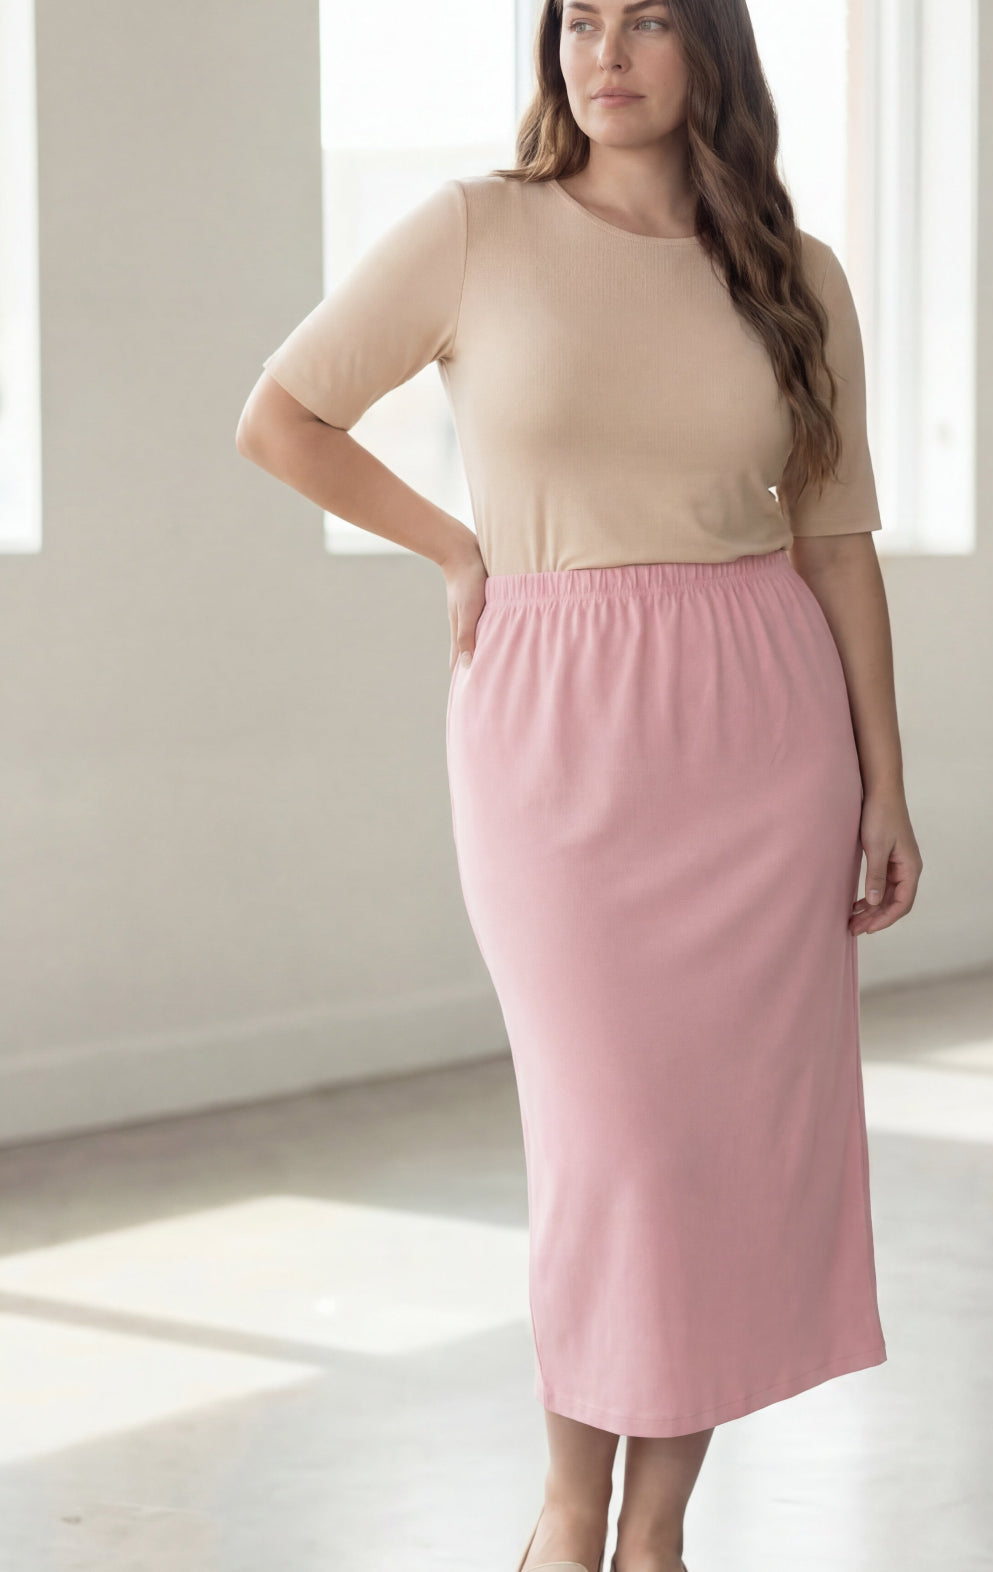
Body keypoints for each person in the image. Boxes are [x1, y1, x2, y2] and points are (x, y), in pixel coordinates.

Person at [237, 1, 924, 1567]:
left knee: (723, 1143)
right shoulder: (475, 230)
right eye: (580, 21)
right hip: (553, 716)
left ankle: (656, 1530)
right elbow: (281, 416)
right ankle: (564, 1514)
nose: (604, 52)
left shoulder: (793, 275)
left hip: (762, 725)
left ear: (710, 54)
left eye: (647, 22)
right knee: (609, 1137)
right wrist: (455, 545)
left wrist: (885, 785)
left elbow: (834, 543)